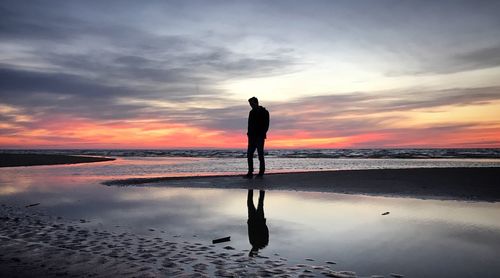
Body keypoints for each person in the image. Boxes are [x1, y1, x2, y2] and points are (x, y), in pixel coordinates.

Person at [244, 97, 269, 179]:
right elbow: (249, 124)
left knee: (260, 155)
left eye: (252, 104)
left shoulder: (264, 112)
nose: (251, 105)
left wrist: (262, 134)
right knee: (249, 154)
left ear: (256, 103)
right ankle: (250, 172)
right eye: (250, 104)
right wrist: (248, 134)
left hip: (260, 137)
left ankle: (261, 172)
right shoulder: (251, 112)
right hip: (251, 137)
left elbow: (266, 125)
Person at [247, 190, 269, 257]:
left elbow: (250, 231)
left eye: (250, 251)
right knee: (260, 203)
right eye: (252, 251)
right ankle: (261, 188)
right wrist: (263, 223)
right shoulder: (263, 244)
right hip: (259, 220)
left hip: (253, 219)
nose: (251, 250)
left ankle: (250, 188)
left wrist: (249, 223)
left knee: (250, 202)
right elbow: (266, 232)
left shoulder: (252, 242)